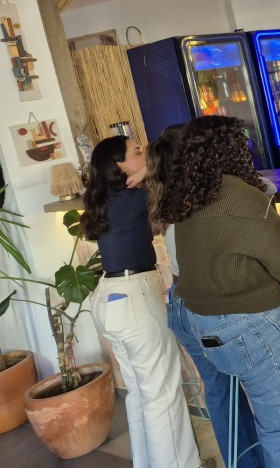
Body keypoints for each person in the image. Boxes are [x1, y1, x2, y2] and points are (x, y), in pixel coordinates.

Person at [159, 116, 280, 468]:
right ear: (231, 152)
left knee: (278, 429)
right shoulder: (244, 199)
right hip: (254, 329)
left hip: (206, 329)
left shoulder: (186, 201)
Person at [82, 135, 209, 468]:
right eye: (136, 152)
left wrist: (143, 171)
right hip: (135, 299)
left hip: (109, 298)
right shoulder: (134, 198)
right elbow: (183, 173)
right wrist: (150, 170)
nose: (143, 153)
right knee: (161, 395)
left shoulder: (106, 198)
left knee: (140, 392)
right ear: (119, 166)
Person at [146, 126, 264, 468]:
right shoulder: (204, 201)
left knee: (221, 393)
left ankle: (245, 463)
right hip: (206, 306)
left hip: (180, 305)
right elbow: (263, 194)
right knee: (253, 389)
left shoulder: (168, 201)